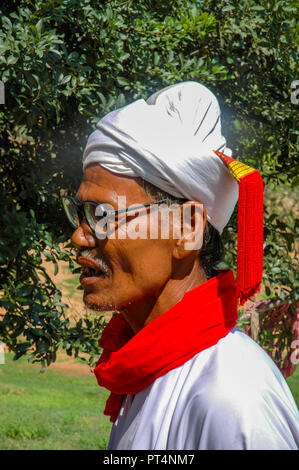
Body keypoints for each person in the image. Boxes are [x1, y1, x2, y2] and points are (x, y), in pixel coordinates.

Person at [62, 81, 299, 450]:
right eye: (82, 213)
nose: (80, 237)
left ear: (187, 228)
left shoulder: (231, 398)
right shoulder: (150, 372)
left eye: (103, 215)